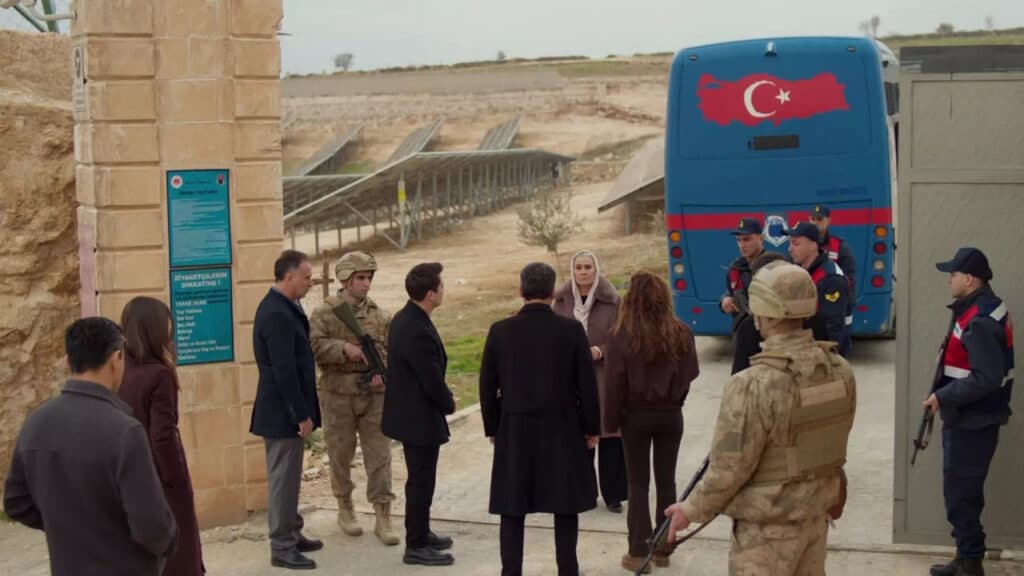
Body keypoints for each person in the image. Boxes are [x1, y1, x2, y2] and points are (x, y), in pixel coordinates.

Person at [664, 261, 857, 575]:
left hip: (765, 537)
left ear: (764, 313)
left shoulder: (752, 384)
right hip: (815, 524)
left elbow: (728, 470)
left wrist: (690, 509)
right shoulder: (839, 371)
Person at [4, 317, 177, 576]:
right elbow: (153, 527)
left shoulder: (36, 423)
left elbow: (16, 502)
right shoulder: (125, 432)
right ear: (116, 359)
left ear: (67, 361)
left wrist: (66, 528)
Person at [481, 262, 601, 576]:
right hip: (563, 427)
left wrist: (493, 427)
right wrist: (591, 428)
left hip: (515, 427)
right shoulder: (571, 330)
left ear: (521, 291)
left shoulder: (500, 331)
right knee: (565, 504)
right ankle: (568, 569)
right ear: (552, 293)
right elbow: (587, 385)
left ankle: (511, 571)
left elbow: (487, 385)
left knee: (512, 505)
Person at [924, 248, 1014, 576]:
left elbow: (986, 378)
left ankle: (970, 563)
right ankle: (966, 558)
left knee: (961, 495)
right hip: (968, 418)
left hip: (973, 422)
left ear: (970, 279)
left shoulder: (979, 320)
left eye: (953, 275)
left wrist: (942, 396)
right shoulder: (978, 308)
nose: (949, 280)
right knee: (963, 494)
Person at [604, 272, 699, 573]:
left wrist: (611, 421)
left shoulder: (620, 335)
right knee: (667, 481)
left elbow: (615, 383)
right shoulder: (681, 332)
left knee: (638, 484)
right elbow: (691, 372)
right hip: (670, 414)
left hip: (635, 416)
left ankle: (638, 551)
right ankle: (663, 548)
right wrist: (676, 399)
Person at [309, 251, 398, 545]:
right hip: (337, 394)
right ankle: (345, 507)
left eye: (369, 277)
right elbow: (314, 346)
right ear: (345, 279)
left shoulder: (381, 316)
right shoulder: (325, 313)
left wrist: (382, 373)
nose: (366, 283)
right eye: (360, 278)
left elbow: (390, 352)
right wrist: (344, 349)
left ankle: (383, 514)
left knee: (380, 455)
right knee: (340, 454)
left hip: (374, 395)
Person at [249, 250, 324, 570]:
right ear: (289, 277)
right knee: (283, 480)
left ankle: (292, 532)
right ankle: (281, 546)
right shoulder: (276, 313)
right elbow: (284, 371)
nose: (311, 282)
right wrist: (300, 414)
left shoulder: (285, 306)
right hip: (282, 413)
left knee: (290, 478)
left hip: (285, 411)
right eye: (306, 277)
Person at [119, 297, 205, 575]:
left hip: (129, 472)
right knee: (179, 551)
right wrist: (176, 477)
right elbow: (162, 435)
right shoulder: (158, 375)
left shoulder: (120, 371)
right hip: (159, 473)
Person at [382, 262, 457, 566]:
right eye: (441, 286)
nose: (443, 290)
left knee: (422, 479)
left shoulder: (409, 318)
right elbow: (430, 378)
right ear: (430, 294)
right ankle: (415, 544)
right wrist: (449, 402)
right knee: (421, 482)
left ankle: (422, 532)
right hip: (418, 418)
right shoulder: (415, 328)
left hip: (413, 414)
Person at [552, 249, 627, 513]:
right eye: (579, 267)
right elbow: (553, 335)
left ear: (596, 270)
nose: (583, 272)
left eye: (588, 267)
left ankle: (614, 494)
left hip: (604, 375)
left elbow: (623, 336)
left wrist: (601, 351)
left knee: (610, 434)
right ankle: (583, 492)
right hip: (571, 377)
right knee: (578, 434)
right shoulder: (561, 301)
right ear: (572, 271)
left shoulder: (613, 301)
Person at [787, 221, 852, 357]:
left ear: (813, 245)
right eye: (790, 243)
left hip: (823, 355)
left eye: (795, 243)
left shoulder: (831, 278)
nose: (790, 249)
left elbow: (834, 328)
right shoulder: (799, 270)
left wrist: (830, 361)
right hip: (806, 348)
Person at [720, 218, 767, 374]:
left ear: (761, 238)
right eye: (738, 240)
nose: (742, 245)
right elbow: (730, 292)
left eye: (747, 239)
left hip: (767, 340)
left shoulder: (773, 266)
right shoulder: (735, 268)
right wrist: (724, 301)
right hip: (742, 338)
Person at [810, 204, 857, 305]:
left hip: (833, 302)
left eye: (819, 219)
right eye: (813, 219)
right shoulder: (803, 245)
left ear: (828, 221)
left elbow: (849, 278)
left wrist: (848, 303)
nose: (815, 223)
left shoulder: (839, 246)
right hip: (810, 303)